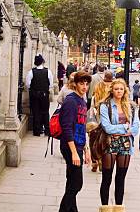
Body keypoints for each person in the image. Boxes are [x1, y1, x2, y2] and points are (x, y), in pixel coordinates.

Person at [99, 79, 140, 210]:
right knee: (107, 178)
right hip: (110, 143)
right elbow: (107, 128)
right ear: (112, 90)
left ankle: (118, 207)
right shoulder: (105, 105)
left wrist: (124, 131)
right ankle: (105, 208)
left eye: (121, 89)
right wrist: (125, 128)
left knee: (121, 178)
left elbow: (135, 128)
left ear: (125, 90)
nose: (119, 91)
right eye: (116, 89)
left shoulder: (131, 106)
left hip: (126, 145)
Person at [59, 71, 92, 212]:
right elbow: (66, 127)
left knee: (72, 181)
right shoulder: (71, 101)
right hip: (70, 145)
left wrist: (87, 149)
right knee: (77, 183)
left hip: (79, 144)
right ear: (75, 84)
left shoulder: (82, 101)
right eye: (81, 83)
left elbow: (82, 126)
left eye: (86, 84)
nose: (85, 87)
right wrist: (74, 152)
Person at [89, 70, 114, 173]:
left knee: (93, 140)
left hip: (97, 118)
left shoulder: (99, 86)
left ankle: (94, 161)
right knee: (105, 142)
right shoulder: (114, 87)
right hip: (109, 119)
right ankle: (102, 160)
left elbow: (92, 102)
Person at [26, 54, 54, 136]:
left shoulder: (31, 72)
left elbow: (28, 84)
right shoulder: (48, 71)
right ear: (42, 62)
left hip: (34, 95)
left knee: (36, 112)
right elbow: (51, 84)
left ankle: (37, 131)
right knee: (45, 112)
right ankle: (47, 130)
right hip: (45, 94)